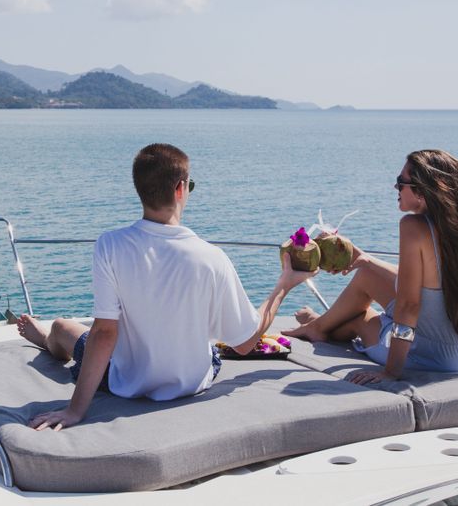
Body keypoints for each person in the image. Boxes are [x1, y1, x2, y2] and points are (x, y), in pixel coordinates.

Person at [17, 143, 316, 430]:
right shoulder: (212, 257)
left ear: (140, 190)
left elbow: (105, 333)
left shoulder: (110, 245)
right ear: (180, 188)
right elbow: (245, 342)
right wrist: (283, 285)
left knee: (61, 327)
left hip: (125, 383)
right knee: (206, 341)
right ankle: (48, 338)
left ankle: (47, 339)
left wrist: (75, 410)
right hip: (193, 382)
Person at [284, 149, 458, 384]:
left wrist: (391, 372)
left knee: (361, 317)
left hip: (432, 357)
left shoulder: (412, 226)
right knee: (366, 273)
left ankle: (319, 327)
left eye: (401, 183)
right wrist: (365, 259)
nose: (395, 188)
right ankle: (319, 324)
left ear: (422, 190)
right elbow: (429, 282)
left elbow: (409, 305)